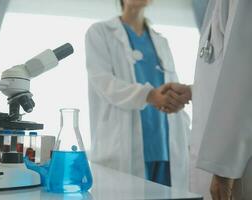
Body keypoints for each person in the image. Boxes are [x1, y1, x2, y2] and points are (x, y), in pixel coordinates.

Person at [85, 0, 190, 189]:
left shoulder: (161, 41)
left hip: (165, 144)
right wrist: (149, 95)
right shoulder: (100, 32)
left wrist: (177, 100)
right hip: (124, 147)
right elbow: (104, 82)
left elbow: (169, 85)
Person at [169, 0, 252, 199]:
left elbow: (244, 74)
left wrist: (224, 165)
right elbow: (225, 74)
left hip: (237, 167)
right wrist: (194, 91)